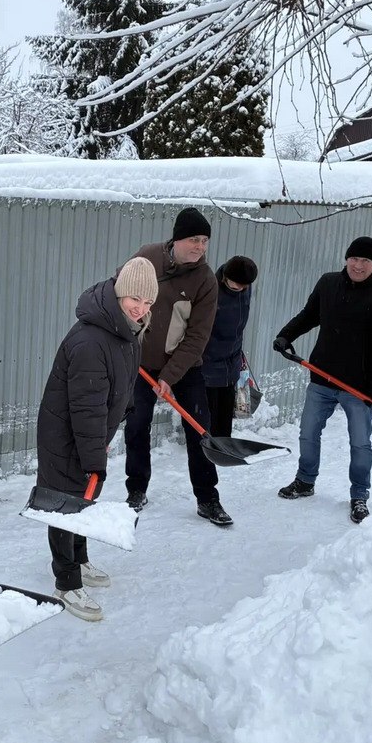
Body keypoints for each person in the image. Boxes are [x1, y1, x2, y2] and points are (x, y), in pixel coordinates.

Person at [36, 257, 156, 621]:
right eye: (135, 298)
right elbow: (86, 408)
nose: (141, 308)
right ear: (119, 292)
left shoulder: (126, 331)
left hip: (89, 436)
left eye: (148, 301)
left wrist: (125, 410)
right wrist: (94, 460)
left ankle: (80, 559)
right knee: (65, 507)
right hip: (66, 436)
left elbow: (120, 384)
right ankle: (67, 583)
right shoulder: (92, 339)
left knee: (83, 501)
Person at [273, 237, 372, 524]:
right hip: (322, 376)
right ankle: (305, 481)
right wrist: (286, 335)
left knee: (359, 442)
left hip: (358, 388)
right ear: (346, 259)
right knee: (308, 432)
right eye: (354, 259)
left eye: (365, 261)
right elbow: (309, 315)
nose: (358, 265)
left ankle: (359, 495)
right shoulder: (329, 283)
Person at [122, 207, 231, 526]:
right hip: (140, 364)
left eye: (205, 241)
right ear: (177, 239)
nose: (200, 247)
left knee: (199, 429)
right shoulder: (146, 259)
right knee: (136, 426)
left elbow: (198, 336)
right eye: (194, 239)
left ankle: (208, 497)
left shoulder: (205, 281)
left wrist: (170, 376)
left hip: (184, 368)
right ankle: (136, 490)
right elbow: (119, 290)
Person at [201, 256, 258, 438]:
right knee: (208, 414)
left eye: (244, 286)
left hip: (232, 360)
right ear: (225, 276)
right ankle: (208, 448)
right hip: (208, 361)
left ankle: (224, 447)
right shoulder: (211, 289)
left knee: (226, 413)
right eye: (236, 284)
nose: (239, 289)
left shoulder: (245, 289)